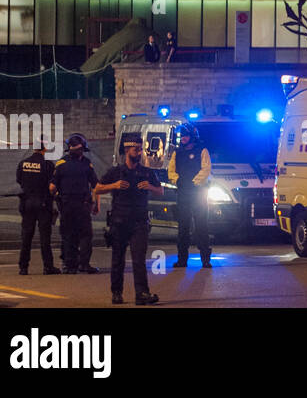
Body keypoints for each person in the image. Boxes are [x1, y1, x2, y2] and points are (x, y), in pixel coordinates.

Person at [96, 132, 160, 305]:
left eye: (140, 150)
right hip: (119, 221)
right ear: (127, 150)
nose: (139, 153)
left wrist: (151, 187)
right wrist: (114, 186)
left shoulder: (146, 172)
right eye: (136, 149)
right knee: (118, 259)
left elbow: (160, 190)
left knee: (139, 259)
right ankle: (116, 293)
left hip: (139, 222)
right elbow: (97, 189)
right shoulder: (116, 172)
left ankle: (142, 294)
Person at [49, 134, 100, 274]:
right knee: (85, 235)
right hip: (83, 205)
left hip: (66, 206)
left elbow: (52, 188)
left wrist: (54, 201)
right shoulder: (86, 163)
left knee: (68, 234)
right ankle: (84, 264)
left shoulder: (61, 164)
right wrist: (96, 203)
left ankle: (69, 265)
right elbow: (96, 186)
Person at [167, 122, 212, 268]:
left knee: (201, 227)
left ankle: (205, 259)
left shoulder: (202, 151)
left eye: (185, 136)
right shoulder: (177, 152)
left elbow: (206, 169)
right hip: (183, 193)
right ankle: (182, 259)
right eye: (182, 136)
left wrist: (194, 182)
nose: (182, 138)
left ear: (192, 136)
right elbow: (171, 170)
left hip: (198, 193)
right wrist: (178, 180)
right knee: (183, 227)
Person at [16, 141, 61, 276]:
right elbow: (52, 185)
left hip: (27, 202)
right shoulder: (47, 165)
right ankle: (48, 266)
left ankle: (23, 267)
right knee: (44, 237)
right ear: (44, 149)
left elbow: (19, 180)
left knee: (26, 237)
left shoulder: (23, 163)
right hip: (43, 203)